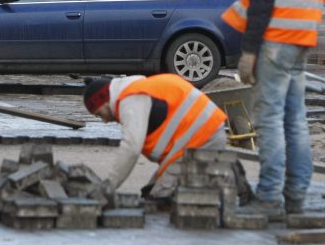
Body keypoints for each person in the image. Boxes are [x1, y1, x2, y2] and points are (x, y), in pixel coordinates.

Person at [221, 0, 325, 219]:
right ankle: (295, 197)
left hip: (274, 44)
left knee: (269, 120)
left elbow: (262, 1)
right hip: (299, 44)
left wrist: (248, 52)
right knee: (295, 121)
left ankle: (268, 197)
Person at [82, 73, 228, 200]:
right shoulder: (134, 90)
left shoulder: (131, 100)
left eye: (100, 114)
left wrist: (110, 185)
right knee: (149, 192)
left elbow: (131, 148)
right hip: (199, 136)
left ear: (105, 100)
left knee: (160, 198)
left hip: (204, 137)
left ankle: (231, 179)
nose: (105, 121)